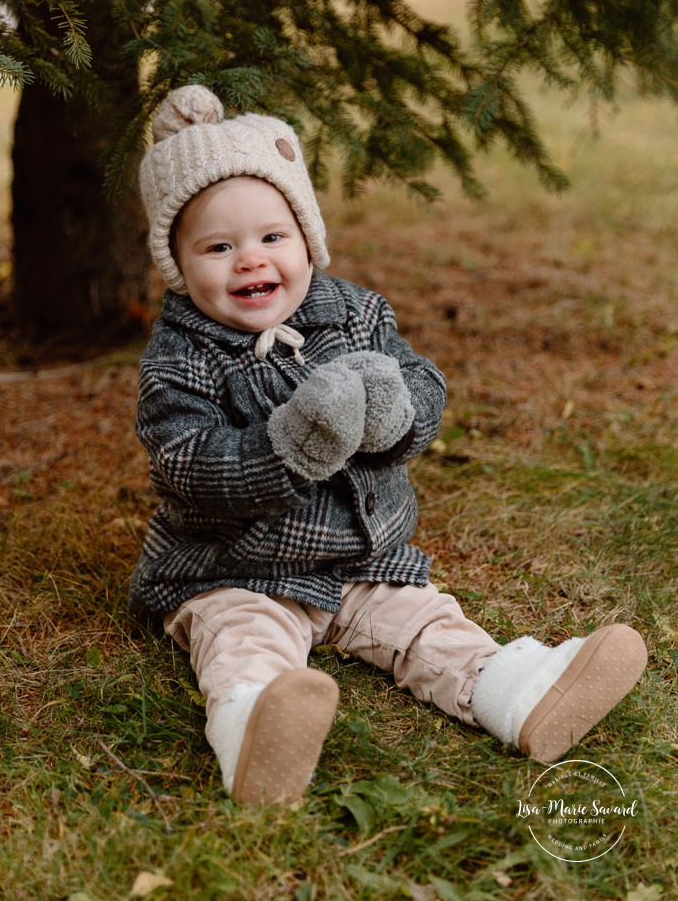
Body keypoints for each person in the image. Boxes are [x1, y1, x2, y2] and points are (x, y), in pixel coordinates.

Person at [130, 85, 647, 806]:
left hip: (363, 559)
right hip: (235, 567)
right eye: (218, 247)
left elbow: (421, 385)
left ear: (306, 236)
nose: (250, 260)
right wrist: (287, 448)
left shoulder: (353, 310)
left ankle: (514, 693)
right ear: (181, 267)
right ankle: (256, 723)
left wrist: (393, 415)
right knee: (240, 639)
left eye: (272, 238)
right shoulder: (180, 354)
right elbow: (185, 462)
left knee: (425, 622)